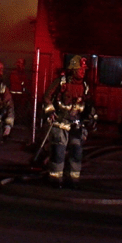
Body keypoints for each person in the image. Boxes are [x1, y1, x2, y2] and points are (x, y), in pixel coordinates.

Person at [41, 55, 97, 189]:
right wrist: (50, 111)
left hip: (76, 125)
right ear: (73, 69)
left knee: (77, 152)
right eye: (80, 69)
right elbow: (47, 97)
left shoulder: (85, 86)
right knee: (58, 152)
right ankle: (55, 180)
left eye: (84, 69)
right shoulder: (61, 82)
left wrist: (93, 117)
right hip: (60, 123)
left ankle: (73, 180)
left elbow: (88, 104)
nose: (83, 71)